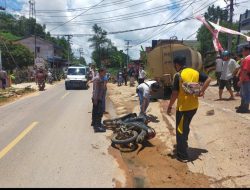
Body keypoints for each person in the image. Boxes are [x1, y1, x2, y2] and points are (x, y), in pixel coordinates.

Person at [167, 56, 211, 162]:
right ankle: (184, 144)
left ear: (177, 64)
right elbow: (209, 79)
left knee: (180, 130)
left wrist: (170, 106)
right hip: (194, 107)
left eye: (174, 65)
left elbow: (174, 93)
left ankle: (183, 155)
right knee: (185, 126)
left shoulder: (178, 75)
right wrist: (201, 91)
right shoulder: (195, 72)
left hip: (183, 108)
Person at [91, 68, 107, 133]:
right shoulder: (98, 79)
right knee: (99, 112)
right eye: (104, 72)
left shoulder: (97, 78)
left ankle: (94, 123)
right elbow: (96, 90)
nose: (105, 73)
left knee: (94, 111)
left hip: (96, 97)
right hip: (97, 98)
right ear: (100, 72)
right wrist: (95, 99)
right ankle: (97, 127)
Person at [236, 45, 250, 113]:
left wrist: (241, 81)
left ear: (247, 51)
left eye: (243, 51)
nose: (242, 52)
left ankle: (245, 108)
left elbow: (245, 71)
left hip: (246, 79)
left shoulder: (247, 59)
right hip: (247, 79)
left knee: (245, 94)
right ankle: (242, 106)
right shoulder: (247, 58)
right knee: (243, 93)